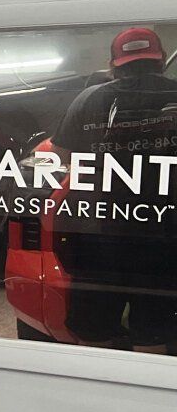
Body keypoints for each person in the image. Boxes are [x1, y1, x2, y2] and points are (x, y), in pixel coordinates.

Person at [51, 25, 177, 349]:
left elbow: (61, 155)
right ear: (160, 59)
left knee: (94, 329)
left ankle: (100, 379)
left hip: (101, 232)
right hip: (164, 234)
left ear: (113, 64)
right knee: (154, 330)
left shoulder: (90, 98)